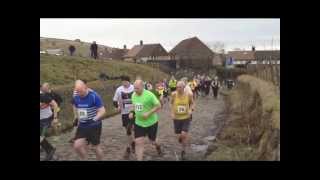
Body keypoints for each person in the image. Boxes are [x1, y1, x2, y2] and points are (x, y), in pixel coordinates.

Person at [72, 80, 106, 160]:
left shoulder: (94, 96)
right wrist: (76, 116)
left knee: (95, 147)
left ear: (86, 88)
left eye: (81, 92)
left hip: (94, 125)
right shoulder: (76, 95)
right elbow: (75, 106)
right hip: (82, 125)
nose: (80, 94)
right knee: (77, 146)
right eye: (78, 91)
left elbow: (102, 111)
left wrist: (94, 119)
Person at [129, 79, 162, 161]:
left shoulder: (149, 95)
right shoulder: (133, 95)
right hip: (139, 123)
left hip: (151, 123)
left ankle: (158, 146)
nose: (135, 90)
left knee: (153, 141)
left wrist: (148, 113)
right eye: (134, 88)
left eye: (137, 88)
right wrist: (132, 112)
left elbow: (158, 105)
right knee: (138, 142)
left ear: (142, 87)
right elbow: (134, 105)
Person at [170, 81, 195, 160]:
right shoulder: (173, 94)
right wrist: (172, 113)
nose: (177, 88)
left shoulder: (189, 95)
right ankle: (180, 137)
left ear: (184, 87)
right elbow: (171, 103)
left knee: (184, 134)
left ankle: (183, 151)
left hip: (186, 117)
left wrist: (191, 109)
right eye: (177, 87)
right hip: (176, 118)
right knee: (179, 135)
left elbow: (192, 103)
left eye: (179, 87)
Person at [112, 76, 135, 158]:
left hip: (134, 111)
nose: (124, 83)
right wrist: (117, 106)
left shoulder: (134, 88)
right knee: (128, 130)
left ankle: (128, 147)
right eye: (122, 82)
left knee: (131, 129)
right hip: (124, 113)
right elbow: (114, 100)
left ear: (129, 81)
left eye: (125, 81)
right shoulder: (119, 89)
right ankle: (132, 143)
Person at [40, 91, 59, 161]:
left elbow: (55, 104)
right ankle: (50, 151)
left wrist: (55, 118)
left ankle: (50, 150)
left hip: (47, 119)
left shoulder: (42, 96)